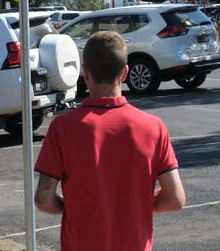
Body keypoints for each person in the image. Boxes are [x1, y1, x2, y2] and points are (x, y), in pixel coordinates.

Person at [34, 31, 185, 251]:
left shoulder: (63, 127)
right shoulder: (153, 127)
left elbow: (43, 200)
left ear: (85, 71)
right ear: (124, 73)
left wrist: (73, 206)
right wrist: (136, 205)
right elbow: (175, 199)